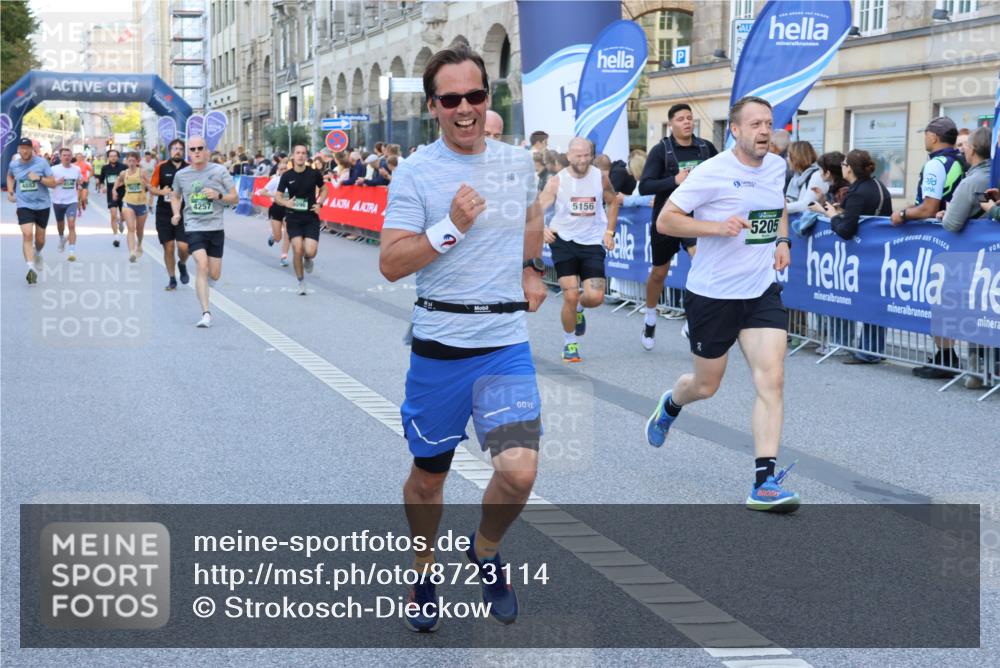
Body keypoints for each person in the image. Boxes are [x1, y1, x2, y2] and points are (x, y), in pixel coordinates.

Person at [379, 44, 546, 632]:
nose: (465, 108)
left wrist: (532, 268)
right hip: (441, 343)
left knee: (520, 471)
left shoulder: (517, 163)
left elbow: (530, 220)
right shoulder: (416, 171)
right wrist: (452, 226)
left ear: (488, 97)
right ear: (434, 107)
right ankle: (424, 570)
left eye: (475, 96)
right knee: (429, 478)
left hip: (504, 341)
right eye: (451, 99)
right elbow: (392, 264)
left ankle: (485, 550)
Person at [646, 95, 799, 512]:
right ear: (734, 130)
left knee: (772, 379)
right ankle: (672, 403)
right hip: (713, 294)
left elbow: (778, 204)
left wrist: (782, 239)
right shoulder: (712, 172)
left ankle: (764, 482)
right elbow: (667, 220)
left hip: (761, 290)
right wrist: (715, 227)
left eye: (768, 123)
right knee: (706, 385)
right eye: (755, 124)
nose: (764, 130)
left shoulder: (777, 166)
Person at [638, 102, 719, 350]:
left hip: (697, 218)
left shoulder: (706, 148)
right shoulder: (661, 151)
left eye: (689, 118)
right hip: (668, 218)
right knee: (659, 273)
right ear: (671, 123)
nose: (687, 122)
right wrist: (674, 180)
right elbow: (645, 186)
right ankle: (650, 315)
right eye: (681, 119)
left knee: (702, 264)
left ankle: (692, 320)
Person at [890, 116, 966, 378]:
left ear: (934, 137)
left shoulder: (936, 163)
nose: (924, 138)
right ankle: (946, 356)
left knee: (940, 297)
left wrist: (903, 215)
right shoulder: (960, 159)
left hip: (939, 239)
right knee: (947, 299)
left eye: (926, 134)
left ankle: (946, 358)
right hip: (956, 236)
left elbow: (929, 207)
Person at [537, 137, 619, 362]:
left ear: (591, 155)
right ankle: (569, 343)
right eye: (578, 155)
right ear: (569, 156)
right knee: (570, 295)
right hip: (563, 241)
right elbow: (538, 208)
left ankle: (580, 309)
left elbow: (613, 201)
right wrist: (542, 228)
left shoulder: (600, 178)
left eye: (586, 155)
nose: (582, 160)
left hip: (592, 243)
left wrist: (609, 232)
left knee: (595, 296)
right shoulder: (557, 181)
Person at [813, 150, 892, 365]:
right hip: (878, 251)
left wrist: (832, 216)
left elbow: (847, 229)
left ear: (850, 168)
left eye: (845, 163)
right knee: (875, 301)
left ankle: (868, 351)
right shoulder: (878, 186)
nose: (842, 166)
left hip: (862, 254)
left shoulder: (858, 192)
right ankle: (872, 349)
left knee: (866, 301)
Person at [169, 136, 238, 328]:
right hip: (193, 226)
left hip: (215, 227)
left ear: (207, 150)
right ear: (188, 153)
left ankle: (204, 287)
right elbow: (174, 196)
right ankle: (206, 313)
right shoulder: (181, 175)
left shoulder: (219, 171)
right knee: (202, 264)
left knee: (214, 274)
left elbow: (235, 198)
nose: (196, 152)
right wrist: (176, 213)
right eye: (192, 149)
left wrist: (219, 196)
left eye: (200, 148)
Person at [274, 144, 329, 295]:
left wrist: (320, 203)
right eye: (298, 153)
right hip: (293, 217)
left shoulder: (314, 173)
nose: (300, 156)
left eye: (303, 153)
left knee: (310, 251)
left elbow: (325, 189)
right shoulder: (287, 175)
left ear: (306, 156)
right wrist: (286, 203)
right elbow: (277, 196)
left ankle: (308, 258)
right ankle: (301, 281)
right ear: (293, 155)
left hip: (311, 217)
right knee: (297, 249)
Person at [6, 138, 59, 284]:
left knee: (40, 240)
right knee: (27, 234)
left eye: (27, 148)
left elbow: (53, 183)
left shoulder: (41, 163)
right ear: (18, 149)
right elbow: (10, 175)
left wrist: (39, 178)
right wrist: (10, 192)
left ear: (32, 149)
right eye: (21, 148)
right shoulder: (14, 164)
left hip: (42, 205)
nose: (24, 151)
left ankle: (38, 252)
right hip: (24, 204)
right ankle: (31, 269)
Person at [150, 138, 191, 290]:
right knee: (168, 247)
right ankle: (172, 278)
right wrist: (161, 191)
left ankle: (182, 263)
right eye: (175, 148)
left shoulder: (190, 168)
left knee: (184, 247)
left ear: (184, 151)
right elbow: (152, 188)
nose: (178, 151)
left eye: (180, 148)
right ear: (170, 151)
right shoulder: (161, 167)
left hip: (184, 211)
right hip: (164, 212)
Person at [113, 152, 151, 263]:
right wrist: (114, 190)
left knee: (140, 230)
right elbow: (118, 180)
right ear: (126, 161)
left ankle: (139, 244)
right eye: (129, 161)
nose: (131, 163)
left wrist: (146, 185)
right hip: (128, 203)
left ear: (137, 161)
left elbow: (150, 185)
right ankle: (132, 253)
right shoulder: (124, 173)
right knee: (131, 228)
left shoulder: (142, 172)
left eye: (133, 161)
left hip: (141, 203)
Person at [50, 148, 82, 261]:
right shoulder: (54, 169)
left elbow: (79, 183)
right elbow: (49, 184)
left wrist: (81, 199)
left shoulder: (76, 169)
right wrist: (57, 182)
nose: (67, 157)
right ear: (60, 156)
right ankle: (61, 238)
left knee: (72, 225)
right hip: (57, 201)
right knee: (60, 224)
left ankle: (72, 251)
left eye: (69, 155)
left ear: (71, 156)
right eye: (64, 155)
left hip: (71, 201)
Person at [257, 160, 291, 267]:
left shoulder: (293, 180)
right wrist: (275, 195)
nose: (284, 171)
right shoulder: (275, 180)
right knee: (278, 238)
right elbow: (262, 192)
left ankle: (284, 257)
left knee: (288, 234)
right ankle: (273, 236)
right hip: (277, 208)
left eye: (285, 168)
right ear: (278, 171)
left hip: (289, 209)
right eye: (281, 169)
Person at [784, 141, 826, 214]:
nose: (787, 159)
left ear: (796, 158)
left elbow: (806, 205)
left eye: (789, 156)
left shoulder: (817, 175)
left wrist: (779, 208)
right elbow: (790, 199)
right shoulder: (796, 177)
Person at [97, 150, 126, 247]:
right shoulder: (105, 168)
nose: (113, 157)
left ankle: (121, 222)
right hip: (111, 195)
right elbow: (101, 180)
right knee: (113, 215)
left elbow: (128, 179)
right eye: (111, 156)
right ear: (108, 158)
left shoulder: (123, 167)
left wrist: (119, 184)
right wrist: (102, 187)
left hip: (123, 194)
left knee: (124, 215)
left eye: (115, 156)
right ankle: (116, 237)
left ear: (118, 157)